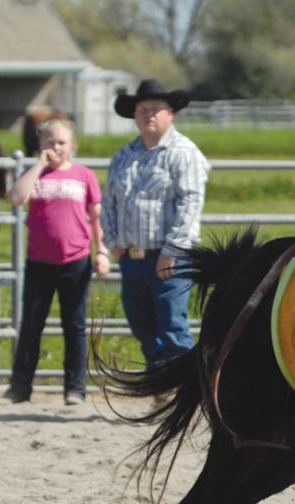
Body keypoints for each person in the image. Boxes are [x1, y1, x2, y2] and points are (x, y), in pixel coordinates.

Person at [101, 79, 209, 370]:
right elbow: (109, 201)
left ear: (170, 113)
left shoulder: (184, 152)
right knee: (141, 323)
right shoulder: (123, 156)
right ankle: (158, 376)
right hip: (132, 256)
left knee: (172, 324)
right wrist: (113, 241)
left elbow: (190, 202)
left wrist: (172, 250)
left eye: (155, 108)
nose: (148, 114)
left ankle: (183, 382)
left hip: (169, 257)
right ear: (134, 115)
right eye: (142, 109)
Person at [0, 118, 106, 406]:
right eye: (50, 141)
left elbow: (96, 218)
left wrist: (102, 251)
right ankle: (19, 388)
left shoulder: (84, 175)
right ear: (40, 144)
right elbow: (16, 197)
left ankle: (75, 389)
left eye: (61, 142)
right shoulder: (34, 175)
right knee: (32, 325)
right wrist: (38, 165)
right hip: (39, 261)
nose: (56, 147)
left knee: (75, 326)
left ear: (72, 146)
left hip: (76, 260)